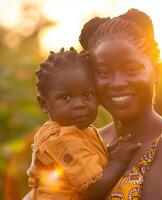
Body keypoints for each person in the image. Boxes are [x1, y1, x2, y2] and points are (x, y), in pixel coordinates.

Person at [79, 8, 162, 199]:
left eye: (131, 69)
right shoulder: (88, 142)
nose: (117, 83)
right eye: (103, 72)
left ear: (156, 72)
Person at [24, 48, 140, 200]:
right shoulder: (63, 139)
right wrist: (118, 161)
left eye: (87, 94)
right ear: (44, 103)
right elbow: (92, 190)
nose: (79, 104)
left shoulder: (80, 131)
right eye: (65, 97)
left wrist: (110, 151)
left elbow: (86, 155)